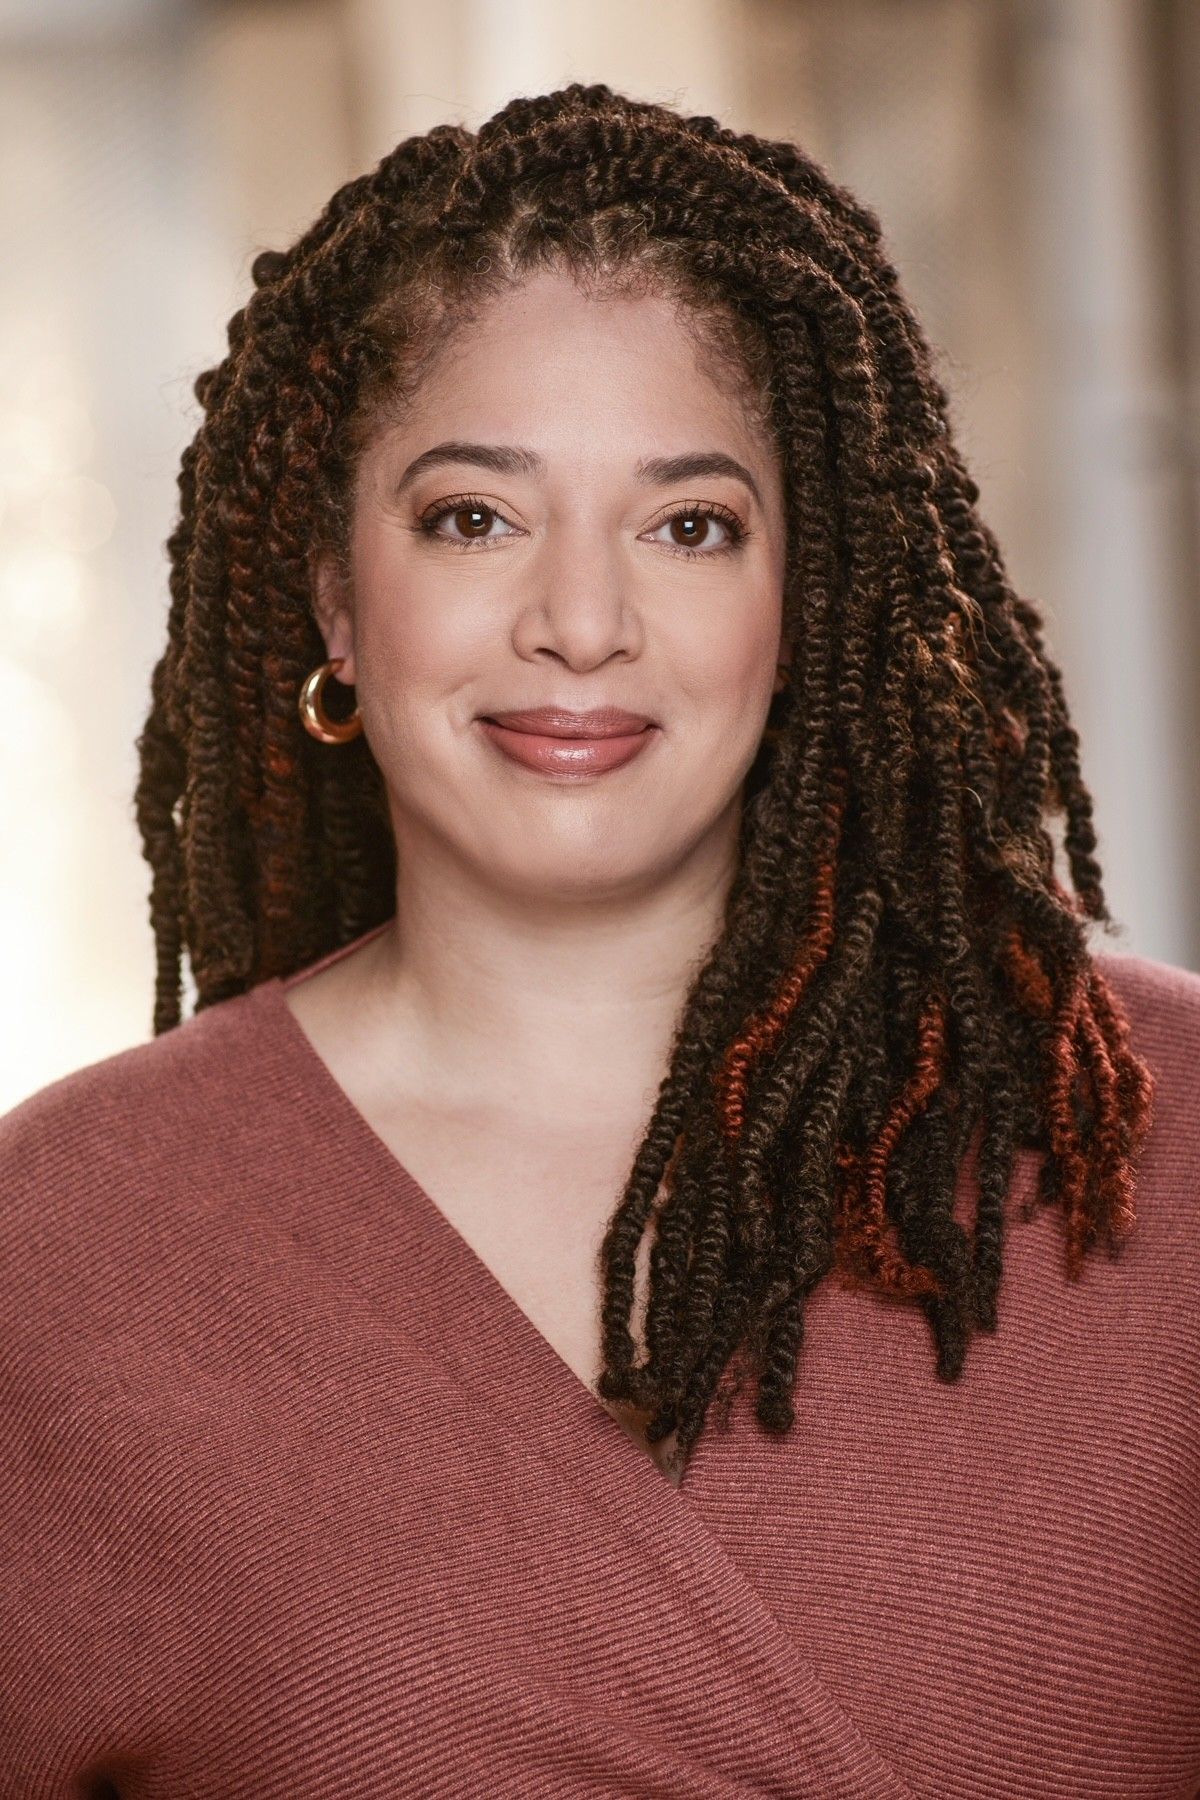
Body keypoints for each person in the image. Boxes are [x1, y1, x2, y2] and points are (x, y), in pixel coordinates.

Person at [1, 81, 1197, 1800]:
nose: (580, 622)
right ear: (338, 593)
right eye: (473, 518)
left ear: (814, 602)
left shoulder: (1169, 1143)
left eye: (689, 525)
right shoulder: (59, 1257)